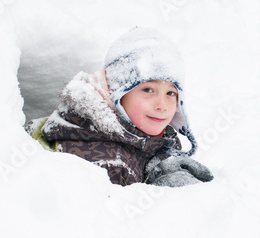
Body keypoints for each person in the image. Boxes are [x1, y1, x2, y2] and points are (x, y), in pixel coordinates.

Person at [26, 27, 213, 187]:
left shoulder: (136, 136)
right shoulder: (106, 163)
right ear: (115, 94)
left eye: (171, 93)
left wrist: (155, 171)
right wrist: (161, 196)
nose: (162, 105)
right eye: (148, 89)